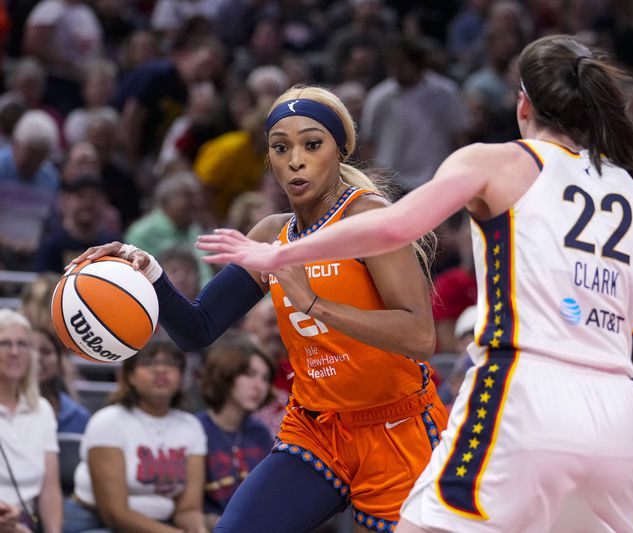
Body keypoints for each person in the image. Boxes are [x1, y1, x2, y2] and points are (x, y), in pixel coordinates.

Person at [196, 35, 633, 532]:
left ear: (524, 104)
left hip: (525, 390)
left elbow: (394, 224)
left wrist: (279, 253)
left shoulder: (499, 161)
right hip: (617, 416)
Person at [69, 84, 447, 533]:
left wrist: (313, 303)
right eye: (280, 148)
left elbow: (421, 337)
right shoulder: (272, 234)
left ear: (340, 150)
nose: (296, 160)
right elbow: (197, 329)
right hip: (316, 431)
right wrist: (147, 271)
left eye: (312, 144)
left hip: (395, 428)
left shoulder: (368, 217)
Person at [63, 339, 207, 533]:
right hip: (96, 522)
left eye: (171, 364)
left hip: (161, 524)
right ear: (129, 376)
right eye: (148, 363)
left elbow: (188, 509)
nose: (161, 370)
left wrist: (198, 528)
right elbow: (114, 514)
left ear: (181, 376)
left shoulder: (192, 427)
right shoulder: (108, 421)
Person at [196, 335, 275, 530]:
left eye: (265, 378)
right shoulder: (195, 428)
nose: (259, 386)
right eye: (250, 374)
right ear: (225, 374)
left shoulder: (260, 432)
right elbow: (188, 508)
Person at [0, 309, 62, 533]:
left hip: (24, 523)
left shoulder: (42, 409)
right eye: (5, 344)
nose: (14, 352)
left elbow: (50, 488)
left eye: (22, 344)